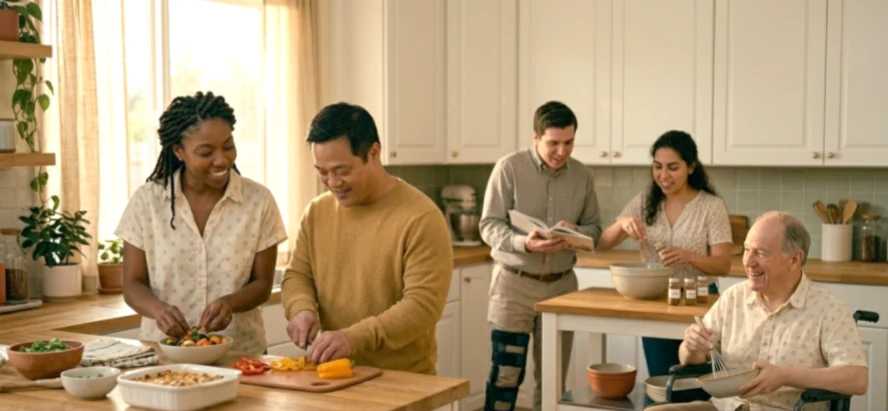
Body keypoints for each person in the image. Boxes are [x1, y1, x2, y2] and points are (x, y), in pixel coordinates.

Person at [281, 102, 453, 375]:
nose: (333, 182)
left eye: (342, 170)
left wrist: (353, 338)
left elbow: (422, 307)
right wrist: (301, 309)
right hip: (335, 375)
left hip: (403, 381)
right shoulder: (317, 212)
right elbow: (298, 275)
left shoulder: (421, 218)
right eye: (322, 172)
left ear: (374, 152)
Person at [116, 91, 288, 355]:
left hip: (241, 354)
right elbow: (132, 285)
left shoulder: (259, 201)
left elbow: (262, 285)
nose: (222, 160)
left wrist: (231, 303)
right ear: (178, 151)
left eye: (228, 146)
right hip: (164, 354)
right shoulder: (147, 202)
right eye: (206, 152)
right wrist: (158, 311)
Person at [647, 211, 868, 411]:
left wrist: (785, 376)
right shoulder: (733, 298)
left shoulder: (828, 308)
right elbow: (692, 358)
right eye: (746, 250)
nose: (748, 262)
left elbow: (857, 378)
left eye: (761, 253)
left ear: (794, 259)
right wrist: (690, 347)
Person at [480, 100, 603, 411]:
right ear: (535, 137)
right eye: (553, 143)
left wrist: (577, 233)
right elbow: (489, 225)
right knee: (505, 376)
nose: (562, 151)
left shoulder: (582, 176)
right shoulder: (509, 168)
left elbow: (595, 228)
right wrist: (524, 243)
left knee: (552, 381)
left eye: (569, 142)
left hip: (562, 288)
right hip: (514, 287)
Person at [597, 130, 732, 379]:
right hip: (655, 300)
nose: (663, 175)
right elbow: (603, 243)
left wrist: (689, 256)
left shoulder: (711, 207)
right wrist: (623, 223)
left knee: (694, 384)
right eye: (657, 167)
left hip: (699, 303)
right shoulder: (644, 202)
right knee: (660, 381)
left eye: (673, 167)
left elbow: (723, 265)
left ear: (691, 167)